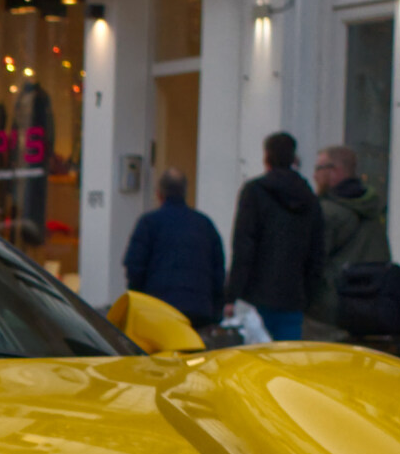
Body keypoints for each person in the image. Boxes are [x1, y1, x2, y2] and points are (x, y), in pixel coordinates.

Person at [226, 132, 323, 341]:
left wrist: (232, 294)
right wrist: (308, 296)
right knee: (286, 361)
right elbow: (316, 253)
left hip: (255, 296)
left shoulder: (254, 192)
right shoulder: (309, 198)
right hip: (293, 296)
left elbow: (244, 246)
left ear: (267, 157)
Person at [121, 168, 225, 329]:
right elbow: (219, 272)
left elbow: (135, 267)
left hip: (158, 308)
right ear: (185, 192)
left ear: (159, 194)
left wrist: (138, 303)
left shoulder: (149, 223)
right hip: (199, 310)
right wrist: (216, 310)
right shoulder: (204, 224)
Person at [313, 145, 392, 328]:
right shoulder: (373, 208)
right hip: (373, 304)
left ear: (335, 171)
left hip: (333, 310)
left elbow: (313, 262)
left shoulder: (327, 212)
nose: (315, 176)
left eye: (319, 169)